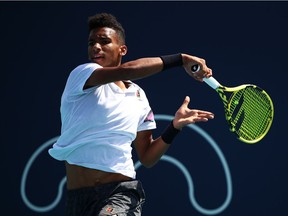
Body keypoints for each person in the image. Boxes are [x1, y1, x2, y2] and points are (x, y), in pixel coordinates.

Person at [48, 13, 214, 216]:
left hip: (120, 195)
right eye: (92, 43)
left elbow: (147, 157)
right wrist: (179, 59)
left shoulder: (138, 96)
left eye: (104, 41)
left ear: (122, 49)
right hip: (77, 200)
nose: (96, 47)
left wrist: (174, 127)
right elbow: (128, 70)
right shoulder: (82, 73)